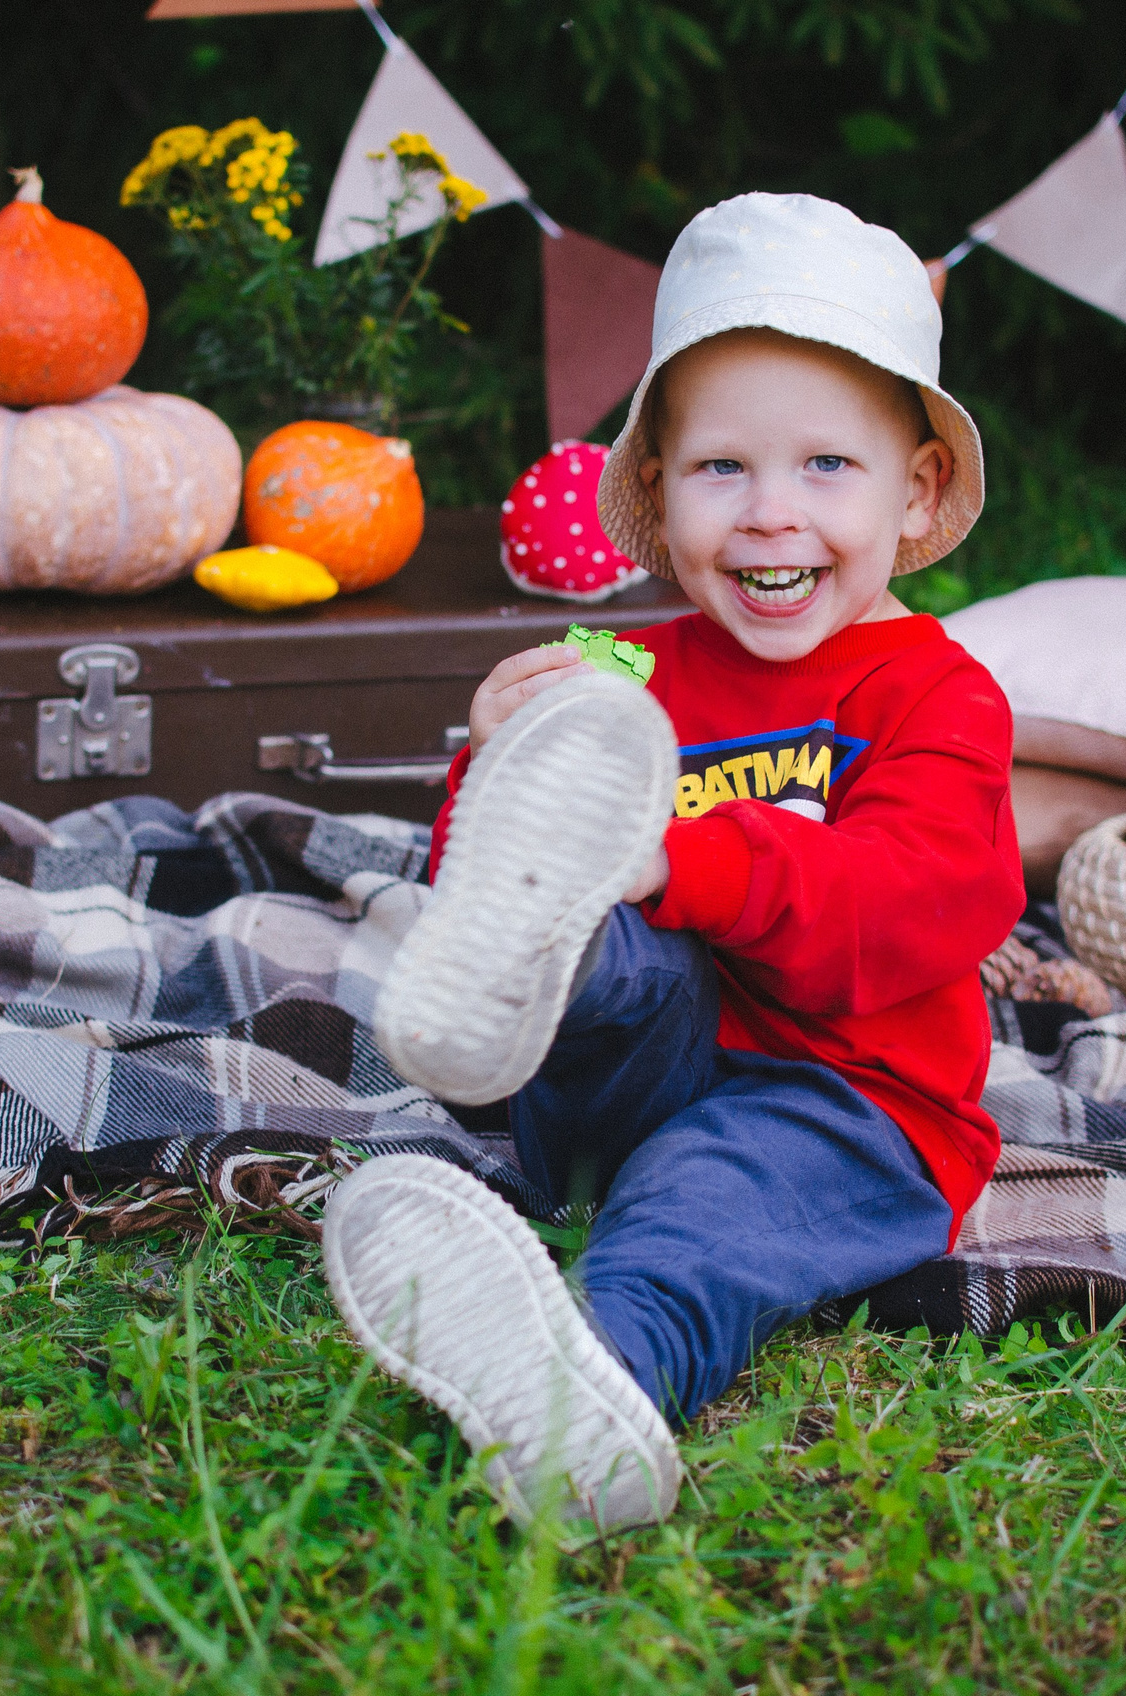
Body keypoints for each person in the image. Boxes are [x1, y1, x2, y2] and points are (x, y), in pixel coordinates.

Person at [319, 193, 1025, 1532]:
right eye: (721, 470)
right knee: (592, 924)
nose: (770, 515)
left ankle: (590, 1398)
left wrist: (673, 859)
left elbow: (900, 910)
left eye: (828, 466)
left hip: (842, 1107)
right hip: (615, 1084)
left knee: (695, 1223)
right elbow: (506, 863)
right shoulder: (630, 678)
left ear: (917, 486)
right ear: (653, 490)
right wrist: (500, 765)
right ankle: (493, 1045)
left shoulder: (940, 697)